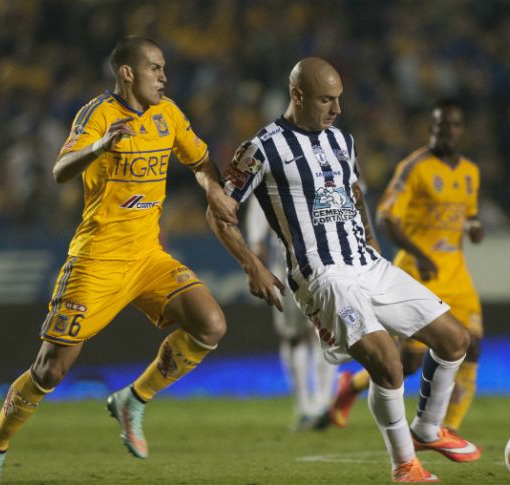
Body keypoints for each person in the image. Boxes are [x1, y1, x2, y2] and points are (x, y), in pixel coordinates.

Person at [0, 36, 238, 485]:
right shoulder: (97, 114)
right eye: (155, 67)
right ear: (127, 72)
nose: (164, 76)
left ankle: (134, 399)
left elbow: (200, 159)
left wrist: (211, 186)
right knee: (49, 369)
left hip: (149, 256)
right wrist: (98, 148)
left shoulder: (168, 113)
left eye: (164, 68)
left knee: (210, 324)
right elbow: (60, 170)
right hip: (97, 258)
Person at [206, 57, 480, 483]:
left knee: (454, 339)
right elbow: (219, 213)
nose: (337, 109)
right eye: (327, 100)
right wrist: (253, 265)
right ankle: (404, 464)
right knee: (387, 362)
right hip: (323, 276)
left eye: (339, 99)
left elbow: (353, 193)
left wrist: (370, 238)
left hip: (367, 263)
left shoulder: (341, 141)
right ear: (297, 96)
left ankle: (427, 429)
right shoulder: (260, 148)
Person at [329, 99, 485, 439]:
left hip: (457, 276)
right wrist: (421, 254)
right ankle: (350, 384)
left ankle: (449, 427)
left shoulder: (471, 172)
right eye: (441, 125)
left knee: (471, 346)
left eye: (454, 125)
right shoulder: (414, 167)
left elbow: (469, 213)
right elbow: (386, 217)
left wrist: (474, 226)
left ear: (462, 130)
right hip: (418, 273)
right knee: (410, 363)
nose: (447, 131)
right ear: (431, 128)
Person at [245, 197, 337, 430]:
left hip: (316, 262)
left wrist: (257, 243)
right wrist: (256, 243)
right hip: (300, 264)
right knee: (311, 334)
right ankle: (314, 406)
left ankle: (315, 406)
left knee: (313, 335)